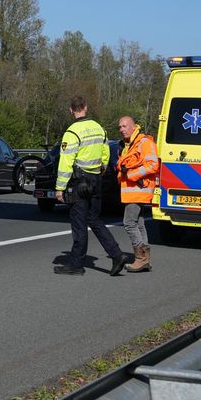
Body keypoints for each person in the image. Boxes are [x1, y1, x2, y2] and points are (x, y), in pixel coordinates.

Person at [54, 96, 130, 276]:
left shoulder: (72, 132)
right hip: (96, 179)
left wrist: (59, 188)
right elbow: (105, 152)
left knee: (79, 223)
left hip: (79, 182)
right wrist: (101, 169)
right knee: (95, 220)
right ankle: (116, 254)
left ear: (71, 110)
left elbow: (66, 161)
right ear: (86, 107)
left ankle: (76, 265)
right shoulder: (99, 128)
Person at [116, 115, 159, 272]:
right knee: (139, 223)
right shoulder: (129, 145)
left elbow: (153, 165)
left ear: (134, 127)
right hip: (132, 191)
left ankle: (140, 258)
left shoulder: (144, 142)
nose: (121, 129)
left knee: (129, 223)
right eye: (120, 127)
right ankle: (145, 259)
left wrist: (133, 175)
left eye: (125, 126)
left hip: (139, 190)